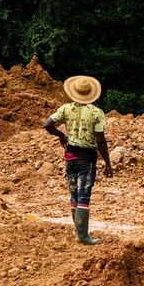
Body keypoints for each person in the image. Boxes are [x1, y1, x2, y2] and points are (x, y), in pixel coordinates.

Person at [43, 75, 113, 245]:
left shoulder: (66, 109)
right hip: (86, 158)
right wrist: (107, 162)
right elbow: (100, 140)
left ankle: (78, 232)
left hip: (70, 157)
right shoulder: (96, 113)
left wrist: (60, 134)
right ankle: (82, 236)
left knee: (73, 194)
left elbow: (47, 124)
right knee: (84, 196)